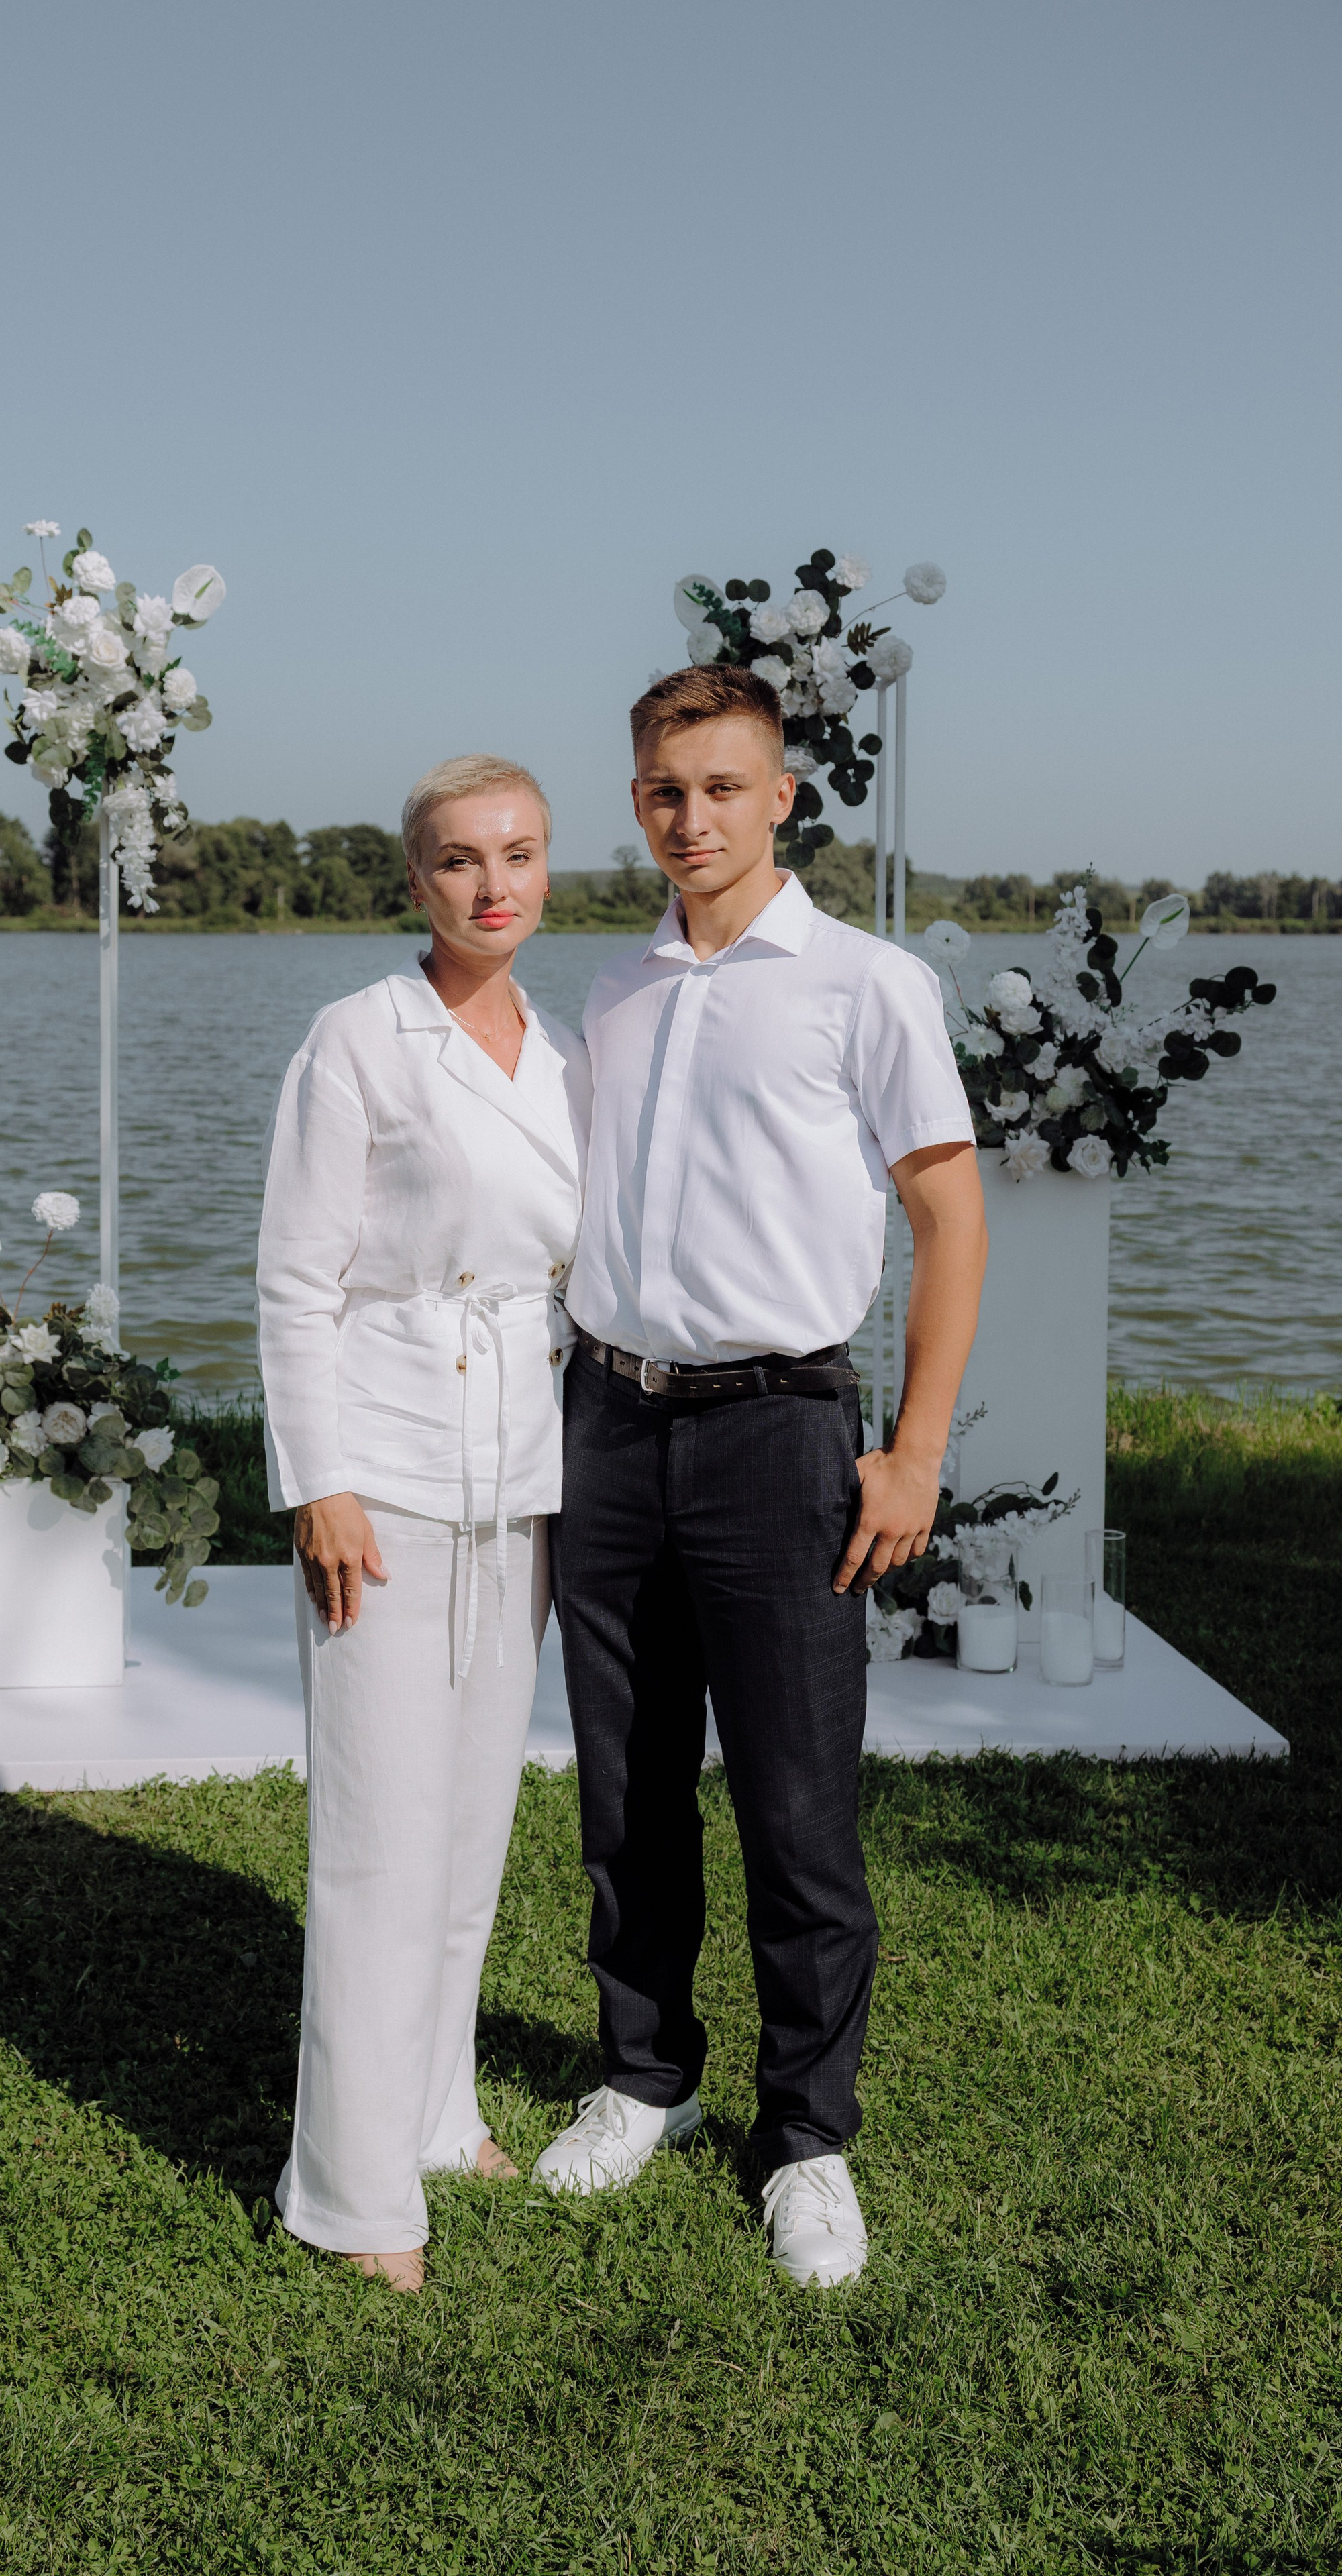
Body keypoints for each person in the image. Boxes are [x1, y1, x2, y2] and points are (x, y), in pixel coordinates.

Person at [535, 663, 986, 2288]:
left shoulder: (866, 986)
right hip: (606, 1424)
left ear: (780, 796)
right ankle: (643, 2074)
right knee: (626, 1791)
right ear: (636, 799)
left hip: (779, 1431)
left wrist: (912, 1452)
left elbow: (947, 1219)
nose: (690, 818)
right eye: (664, 790)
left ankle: (805, 2134)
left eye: (722, 789)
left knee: (796, 1812)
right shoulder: (607, 988)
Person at [257, 753, 590, 2294]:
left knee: (467, 1831)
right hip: (382, 1470)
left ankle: (439, 2111)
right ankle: (347, 2185)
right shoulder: (357, 1041)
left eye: (516, 852)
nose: (490, 883)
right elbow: (293, 1280)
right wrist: (316, 1480)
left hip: (517, 1470)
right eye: (457, 860)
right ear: (415, 882)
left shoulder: (568, 1052)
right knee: (377, 1842)